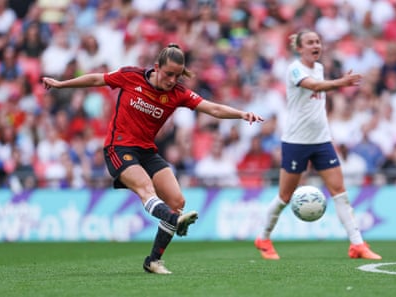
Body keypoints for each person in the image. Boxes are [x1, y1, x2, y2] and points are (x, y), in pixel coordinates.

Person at [42, 43, 263, 274]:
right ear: (157, 67)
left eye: (177, 76)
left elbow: (213, 109)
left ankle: (153, 261)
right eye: (168, 74)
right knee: (146, 189)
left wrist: (241, 114)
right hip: (118, 148)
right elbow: (98, 79)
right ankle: (172, 220)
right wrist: (60, 84)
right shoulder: (130, 76)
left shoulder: (177, 93)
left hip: (147, 151)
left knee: (177, 202)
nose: (171, 80)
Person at [254, 30, 382, 260]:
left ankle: (357, 244)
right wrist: (341, 83)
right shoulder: (294, 69)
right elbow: (315, 86)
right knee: (285, 195)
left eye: (318, 41)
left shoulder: (320, 68)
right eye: (310, 42)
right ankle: (263, 238)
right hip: (296, 141)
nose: (316, 45)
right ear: (300, 48)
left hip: (322, 140)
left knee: (340, 192)